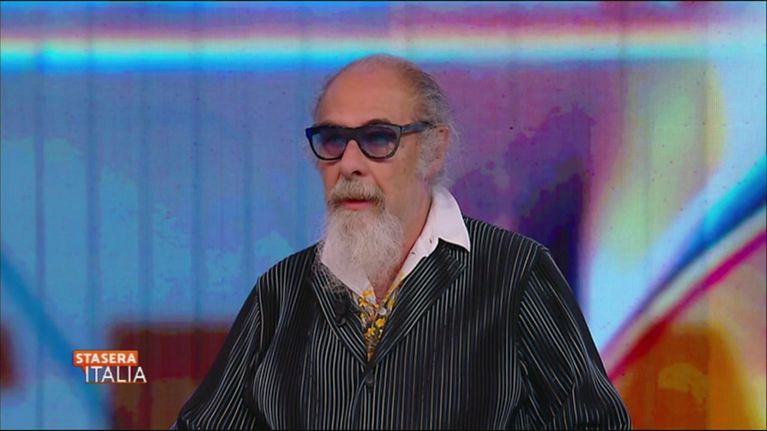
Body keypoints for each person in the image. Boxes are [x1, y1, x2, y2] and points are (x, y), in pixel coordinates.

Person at [173, 54, 631, 430]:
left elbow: (596, 424)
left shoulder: (515, 274)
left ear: (434, 150)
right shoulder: (281, 292)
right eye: (332, 140)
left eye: (378, 138)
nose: (349, 163)